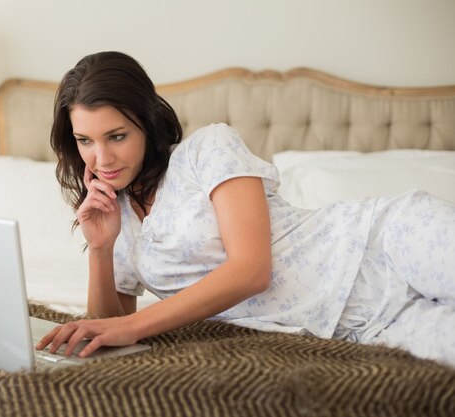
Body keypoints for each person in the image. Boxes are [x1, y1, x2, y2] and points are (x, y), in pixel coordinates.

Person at [36, 51, 455, 367]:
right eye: (85, 140)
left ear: (147, 122)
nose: (102, 159)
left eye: (117, 136)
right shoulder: (114, 213)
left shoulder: (207, 149)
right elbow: (106, 330)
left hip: (387, 243)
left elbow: (251, 270)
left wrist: (131, 324)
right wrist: (101, 248)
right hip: (364, 327)